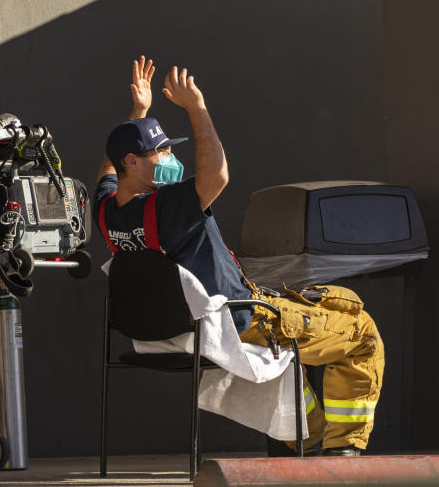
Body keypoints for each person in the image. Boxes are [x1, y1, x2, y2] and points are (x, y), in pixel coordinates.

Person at [95, 57, 384, 456]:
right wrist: (197, 108)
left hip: (168, 331)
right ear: (133, 161)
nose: (168, 160)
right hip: (241, 320)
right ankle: (343, 451)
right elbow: (217, 176)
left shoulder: (106, 212)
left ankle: (308, 436)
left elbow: (107, 168)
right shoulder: (169, 206)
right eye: (160, 152)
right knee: (361, 331)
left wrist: (139, 112)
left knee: (324, 305)